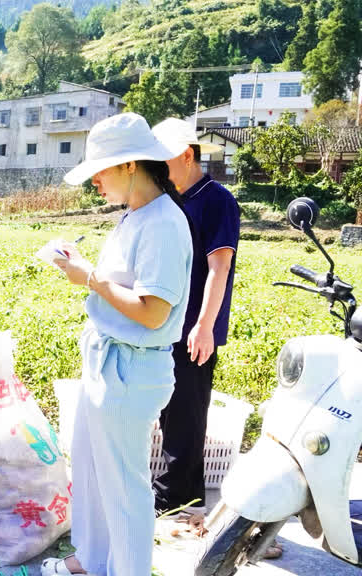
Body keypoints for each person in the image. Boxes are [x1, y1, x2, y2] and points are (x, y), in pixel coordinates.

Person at [40, 113, 192, 576]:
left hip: (131, 369)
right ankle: (92, 559)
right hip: (109, 359)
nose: (96, 183)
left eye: (100, 172)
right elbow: (119, 286)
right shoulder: (135, 215)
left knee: (125, 488)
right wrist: (84, 268)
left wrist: (89, 277)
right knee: (89, 470)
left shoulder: (164, 223)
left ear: (130, 165)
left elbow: (152, 311)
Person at [150, 118, 240, 517]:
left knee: (186, 415)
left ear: (187, 155)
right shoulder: (169, 200)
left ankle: (171, 499)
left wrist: (204, 326)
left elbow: (219, 268)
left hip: (193, 329)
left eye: (162, 159)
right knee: (172, 415)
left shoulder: (216, 200)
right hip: (164, 325)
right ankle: (185, 501)